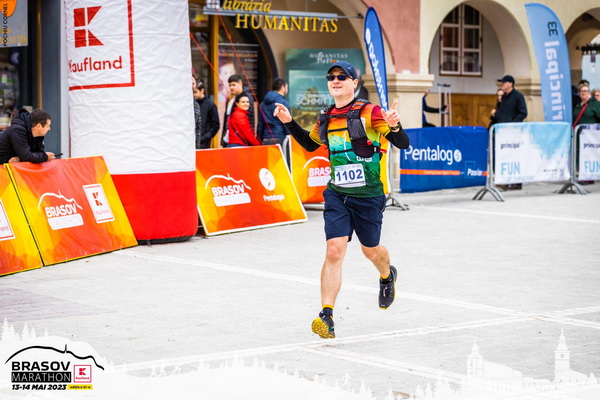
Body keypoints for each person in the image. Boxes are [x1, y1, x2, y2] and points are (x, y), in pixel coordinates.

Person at [273, 60, 409, 339]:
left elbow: (403, 143)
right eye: (331, 77)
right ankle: (327, 316)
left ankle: (387, 275)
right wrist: (289, 122)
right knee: (334, 251)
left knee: (371, 251)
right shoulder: (326, 116)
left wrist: (395, 127)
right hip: (337, 193)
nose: (335, 80)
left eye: (342, 76)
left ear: (354, 83)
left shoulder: (370, 112)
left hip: (368, 195)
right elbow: (310, 143)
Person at [493, 75, 528, 190]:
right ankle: (505, 179)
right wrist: (496, 116)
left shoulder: (518, 96)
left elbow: (523, 112)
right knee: (504, 155)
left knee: (514, 155)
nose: (502, 84)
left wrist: (513, 123)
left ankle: (517, 181)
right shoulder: (504, 97)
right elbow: (502, 112)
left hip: (514, 131)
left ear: (510, 84)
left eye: (504, 82)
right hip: (503, 131)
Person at [221, 74, 255, 147]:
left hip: (240, 139)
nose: (231, 87)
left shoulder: (246, 97)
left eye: (233, 85)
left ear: (240, 84)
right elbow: (227, 117)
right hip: (229, 136)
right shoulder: (230, 98)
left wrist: (250, 140)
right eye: (230, 85)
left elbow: (250, 118)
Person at [257, 78, 290, 146]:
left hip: (266, 138)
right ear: (282, 88)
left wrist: (259, 140)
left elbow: (260, 124)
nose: (287, 89)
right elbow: (286, 123)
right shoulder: (283, 103)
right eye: (287, 87)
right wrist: (290, 135)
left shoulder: (263, 104)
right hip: (280, 137)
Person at [194, 78, 220, 149]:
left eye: (195, 92)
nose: (193, 95)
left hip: (204, 143)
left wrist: (206, 137)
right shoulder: (192, 104)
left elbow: (215, 125)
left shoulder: (210, 105)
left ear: (202, 90)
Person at [192, 75, 203, 149]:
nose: (192, 86)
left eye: (193, 83)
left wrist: (197, 147)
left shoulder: (196, 105)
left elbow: (198, 128)